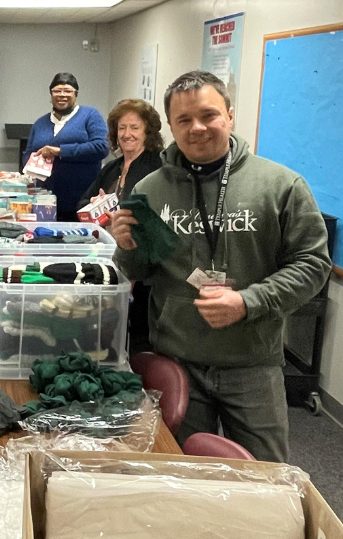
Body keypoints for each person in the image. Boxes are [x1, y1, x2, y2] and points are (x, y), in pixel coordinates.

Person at [109, 70, 331, 462]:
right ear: (172, 127)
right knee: (182, 478)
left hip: (252, 364)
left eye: (208, 115)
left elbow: (313, 264)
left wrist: (249, 301)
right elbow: (138, 270)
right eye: (184, 120)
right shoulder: (150, 190)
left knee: (267, 480)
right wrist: (125, 246)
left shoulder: (280, 185)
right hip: (177, 365)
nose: (197, 128)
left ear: (229, 115)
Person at [79, 98, 165, 353]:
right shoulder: (112, 167)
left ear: (148, 132)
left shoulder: (157, 168)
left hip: (142, 264)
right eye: (122, 128)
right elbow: (83, 201)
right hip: (108, 256)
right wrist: (95, 202)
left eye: (134, 128)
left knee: (135, 333)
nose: (127, 134)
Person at [23, 72, 109, 220]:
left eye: (68, 91)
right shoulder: (40, 123)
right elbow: (28, 154)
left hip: (82, 200)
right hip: (44, 202)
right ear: (51, 94)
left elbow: (102, 147)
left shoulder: (90, 115)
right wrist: (33, 167)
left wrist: (61, 151)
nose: (62, 95)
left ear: (76, 94)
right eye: (57, 91)